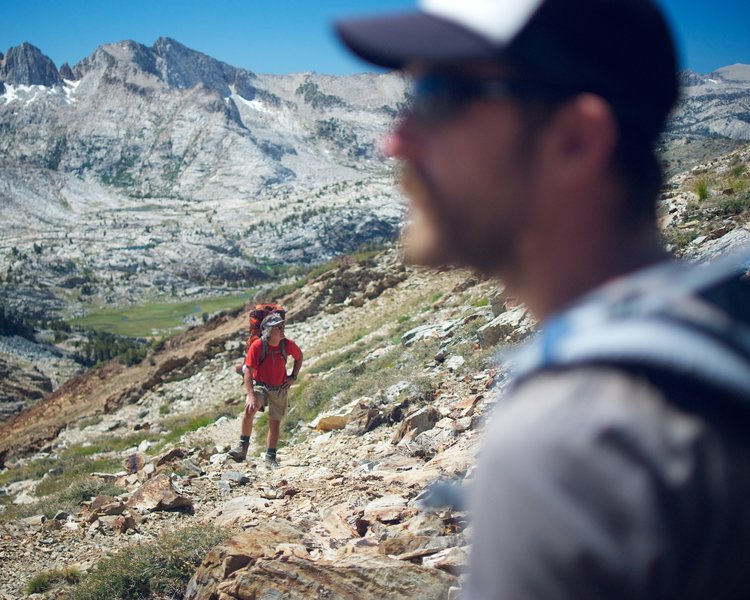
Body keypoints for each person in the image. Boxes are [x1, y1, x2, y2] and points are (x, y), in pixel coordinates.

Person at [335, 1, 750, 598]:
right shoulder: (718, 333)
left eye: (437, 94)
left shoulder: (577, 438)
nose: (394, 142)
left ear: (576, 140)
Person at [228, 313, 303, 467]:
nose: (282, 329)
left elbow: (299, 356)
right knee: (250, 409)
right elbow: (249, 371)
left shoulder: (287, 344)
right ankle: (243, 447)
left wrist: (293, 377)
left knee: (274, 423)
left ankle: (270, 457)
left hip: (279, 387)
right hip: (260, 385)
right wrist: (250, 395)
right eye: (278, 327)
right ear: (268, 330)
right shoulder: (258, 346)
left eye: (282, 326)